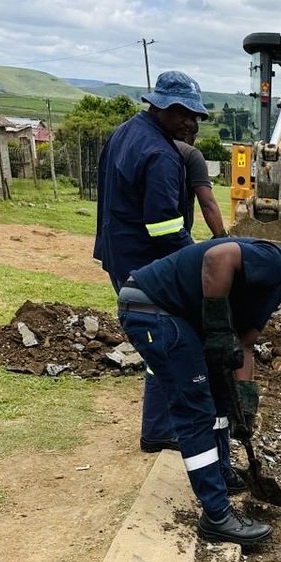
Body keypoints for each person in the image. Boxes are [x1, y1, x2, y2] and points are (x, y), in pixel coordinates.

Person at [116, 234, 281, 548]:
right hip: (153, 308)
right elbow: (217, 257)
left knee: (222, 396)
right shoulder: (276, 261)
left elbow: (244, 347)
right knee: (195, 411)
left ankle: (221, 472)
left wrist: (244, 405)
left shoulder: (274, 290)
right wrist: (219, 328)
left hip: (173, 315)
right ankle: (217, 516)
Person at [94, 70, 209, 453]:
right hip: (143, 266)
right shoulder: (159, 153)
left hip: (118, 253)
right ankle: (159, 428)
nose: (191, 123)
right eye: (185, 114)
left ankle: (158, 424)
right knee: (164, 342)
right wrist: (196, 263)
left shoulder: (125, 132)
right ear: (162, 107)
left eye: (195, 117)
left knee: (154, 342)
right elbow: (164, 228)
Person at [176, 127, 226, 238]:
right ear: (193, 136)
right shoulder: (191, 154)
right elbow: (207, 203)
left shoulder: (150, 146)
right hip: (175, 235)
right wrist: (222, 238)